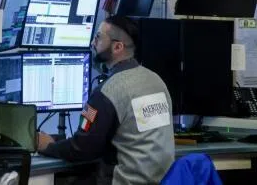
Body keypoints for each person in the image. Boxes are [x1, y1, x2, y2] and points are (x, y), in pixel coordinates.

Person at [38, 15, 175, 184]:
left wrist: (48, 147)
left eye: (98, 37)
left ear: (117, 47)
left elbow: (82, 148)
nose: (93, 43)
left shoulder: (106, 92)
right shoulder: (156, 80)